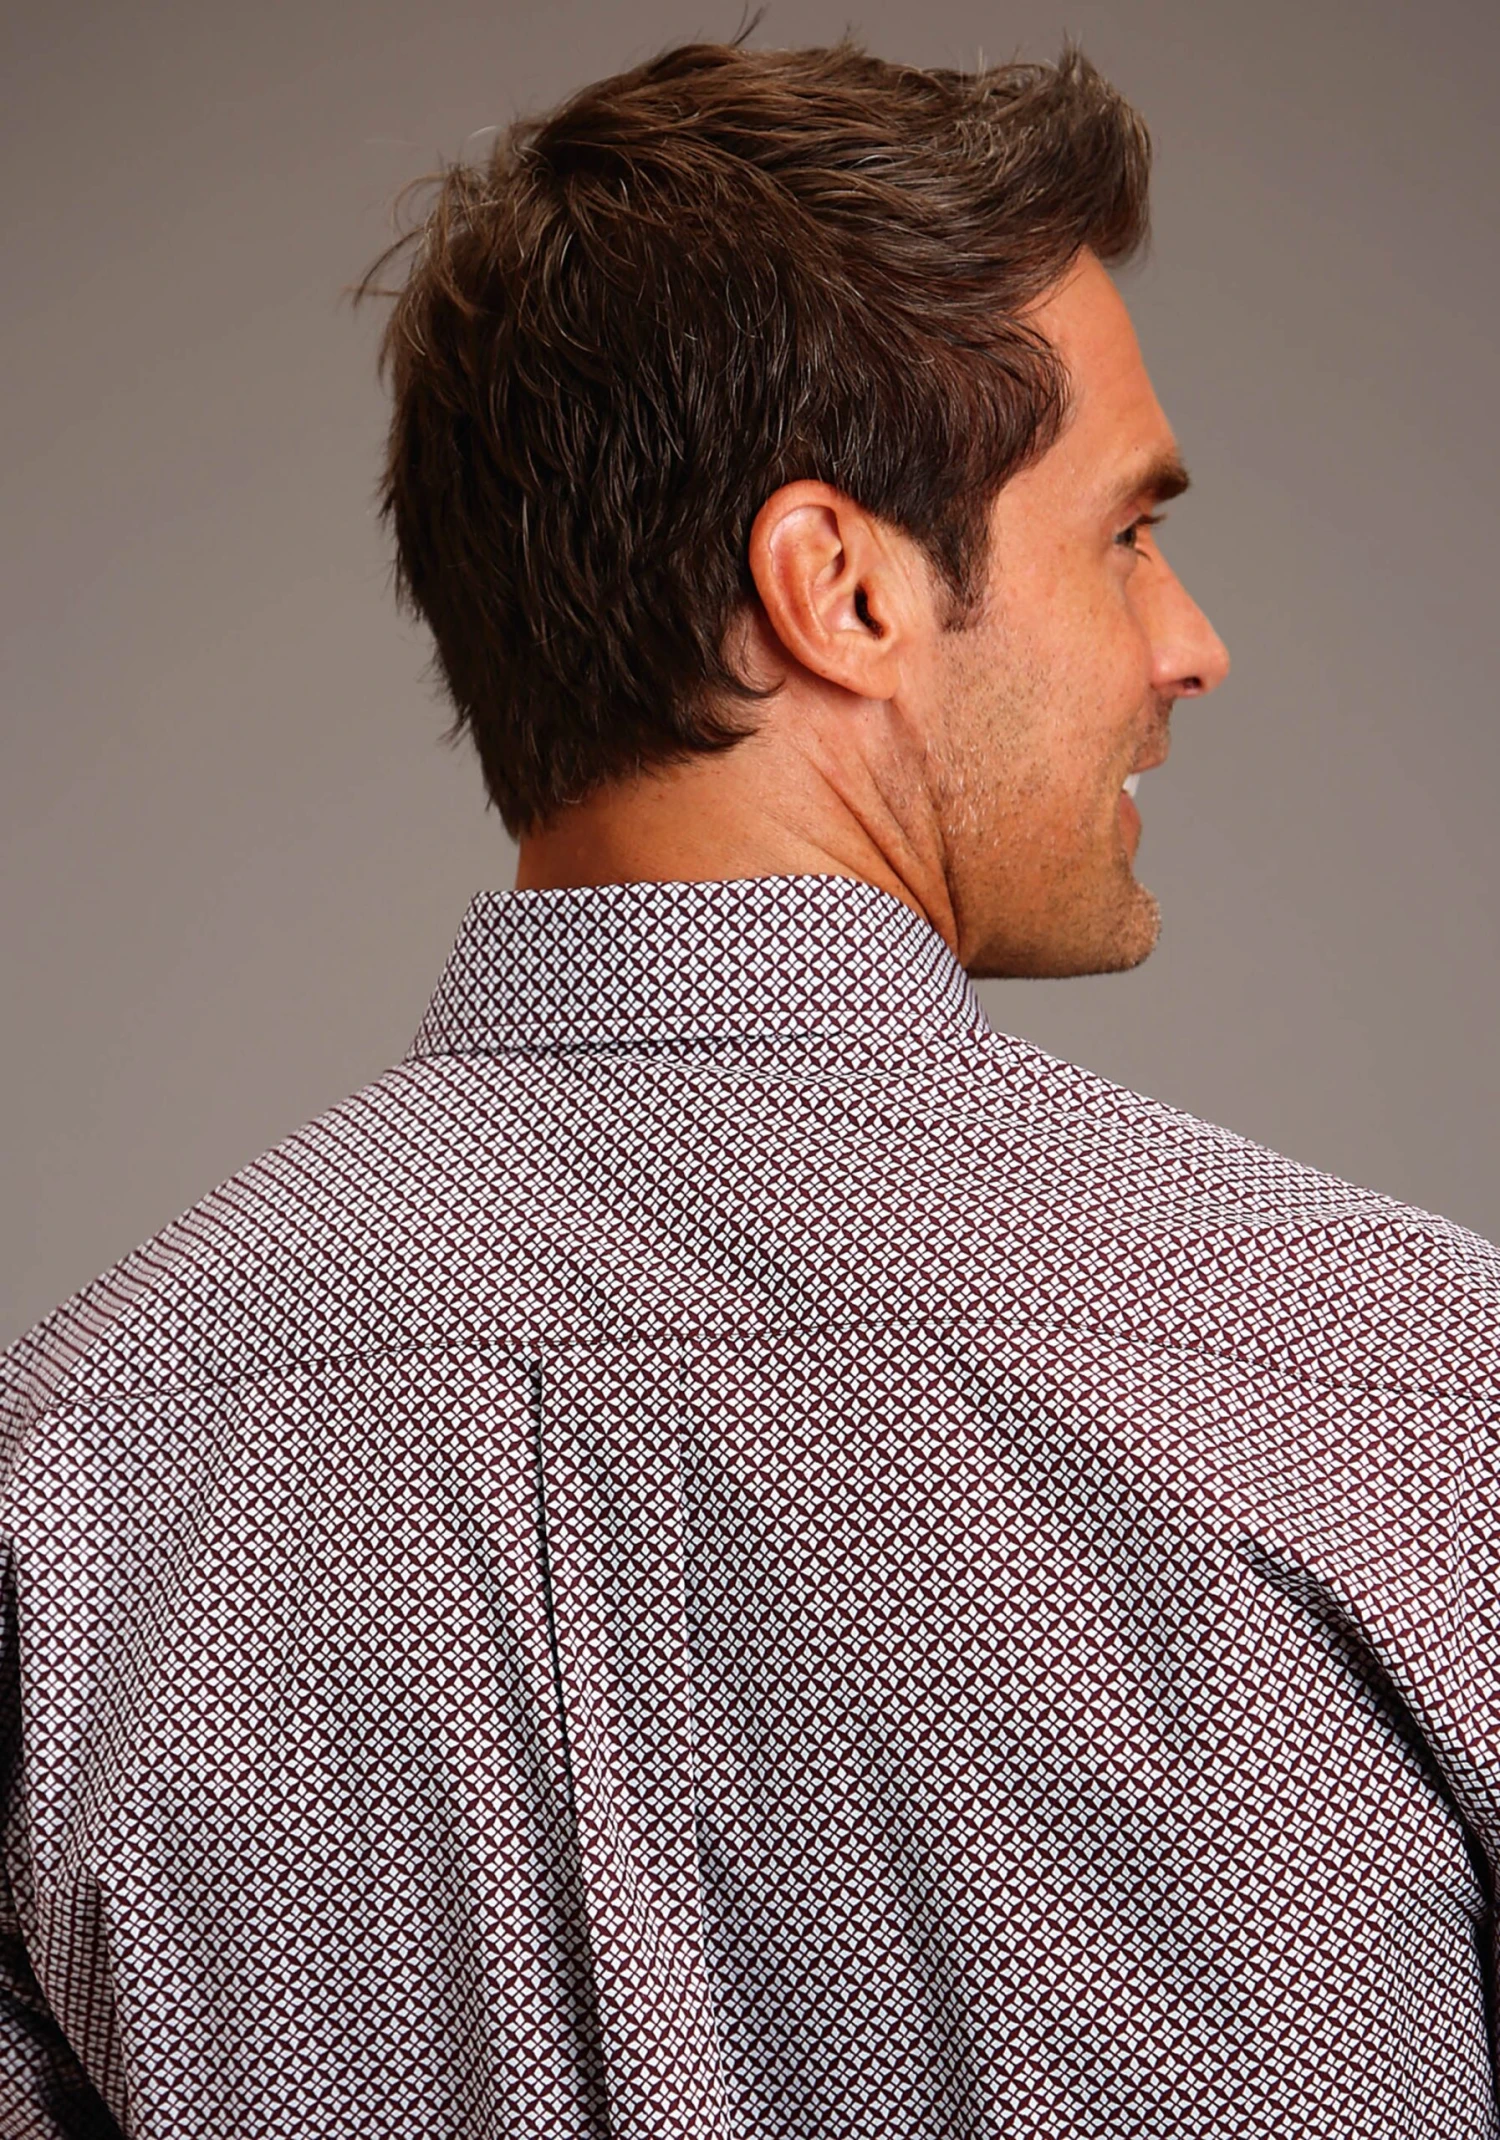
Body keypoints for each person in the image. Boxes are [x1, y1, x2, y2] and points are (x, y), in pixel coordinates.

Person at [1, 32, 1495, 2140]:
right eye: (1127, 533)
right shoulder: (1387, 1385)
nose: (1191, 642)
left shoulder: (74, 1477)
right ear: (842, 586)